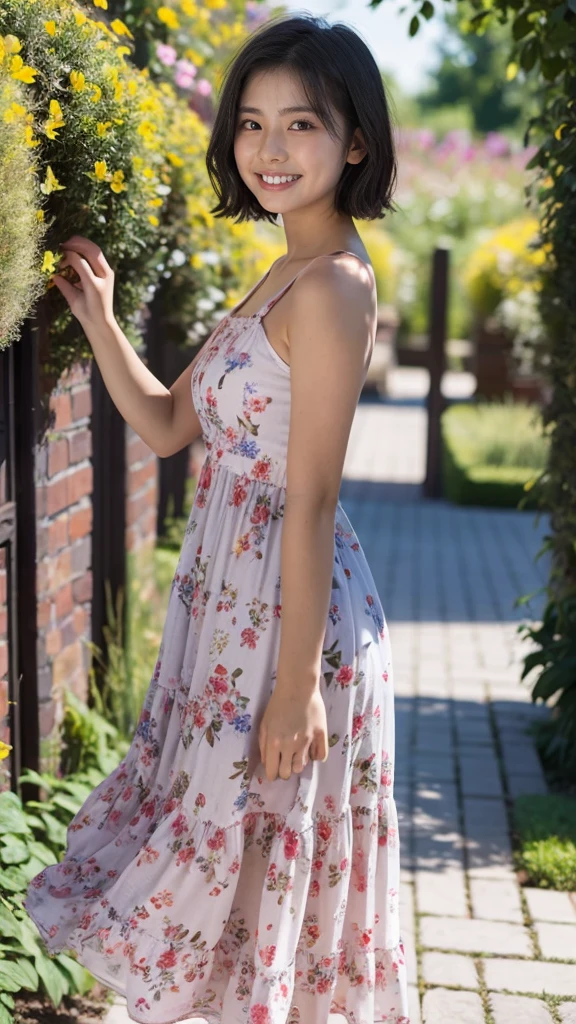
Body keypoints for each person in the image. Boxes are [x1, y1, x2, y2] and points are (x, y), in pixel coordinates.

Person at [24, 12, 410, 1024]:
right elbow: (163, 424)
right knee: (224, 878)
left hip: (288, 634)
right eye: (251, 123)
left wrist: (295, 693)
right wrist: (104, 319)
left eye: (301, 126)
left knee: (260, 878)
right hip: (229, 618)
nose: (269, 150)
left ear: (355, 139)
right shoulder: (282, 268)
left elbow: (314, 496)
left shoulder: (334, 287)